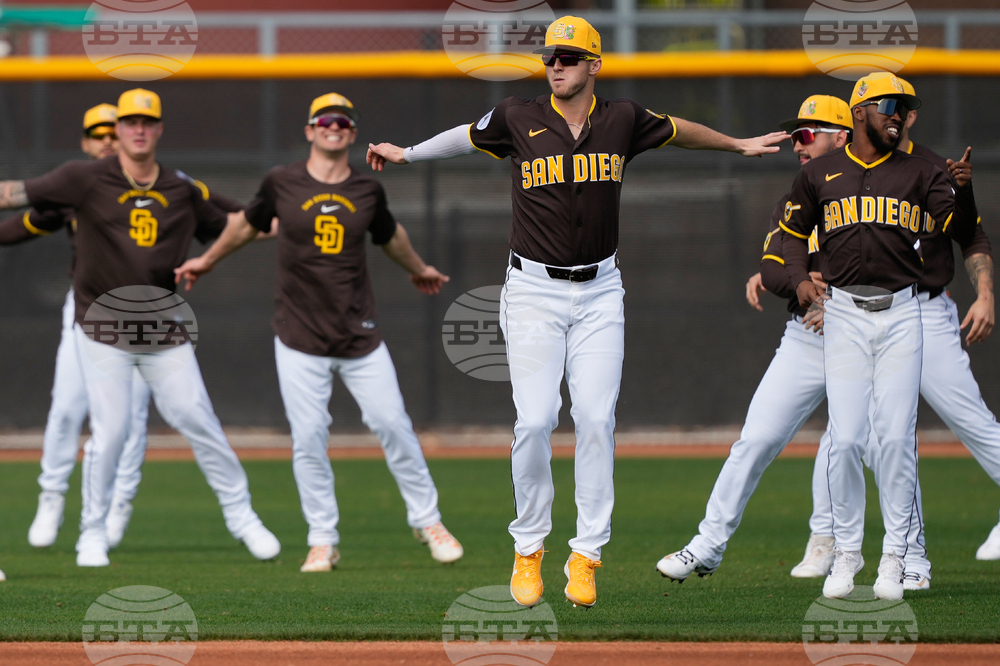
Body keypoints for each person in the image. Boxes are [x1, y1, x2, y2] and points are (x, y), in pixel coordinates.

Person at [366, 16, 787, 608]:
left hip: (600, 292)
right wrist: (406, 154)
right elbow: (464, 134)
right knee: (535, 421)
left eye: (567, 57)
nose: (555, 66)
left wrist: (737, 143)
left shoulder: (623, 119)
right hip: (533, 290)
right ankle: (529, 547)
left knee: (594, 419)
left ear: (594, 64)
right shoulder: (518, 116)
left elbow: (679, 130)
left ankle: (586, 553)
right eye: (549, 58)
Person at [174, 93, 464, 572]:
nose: (334, 126)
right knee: (309, 438)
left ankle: (428, 521)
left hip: (359, 334)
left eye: (343, 121)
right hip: (298, 336)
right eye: (324, 120)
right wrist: (205, 260)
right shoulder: (281, 181)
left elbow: (390, 236)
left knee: (394, 426)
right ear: (310, 130)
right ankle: (323, 539)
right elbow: (246, 226)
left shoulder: (368, 190)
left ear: (351, 134)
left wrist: (420, 268)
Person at [0, 88, 280, 567]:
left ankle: (243, 517)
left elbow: (244, 222)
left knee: (196, 417)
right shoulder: (83, 179)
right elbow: (15, 195)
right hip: (101, 327)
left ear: (158, 129)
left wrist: (211, 258)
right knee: (108, 431)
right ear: (118, 131)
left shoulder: (180, 188)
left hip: (161, 329)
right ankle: (91, 532)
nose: (137, 129)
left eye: (146, 122)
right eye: (129, 122)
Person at [796, 77, 1000, 588]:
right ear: (860, 112)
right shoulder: (829, 173)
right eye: (890, 105)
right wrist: (802, 282)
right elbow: (797, 234)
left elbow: (965, 229)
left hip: (920, 309)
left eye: (906, 108)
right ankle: (868, 552)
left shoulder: (930, 169)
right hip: (849, 312)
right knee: (848, 440)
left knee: (940, 427)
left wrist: (987, 290)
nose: (901, 114)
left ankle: (902, 556)